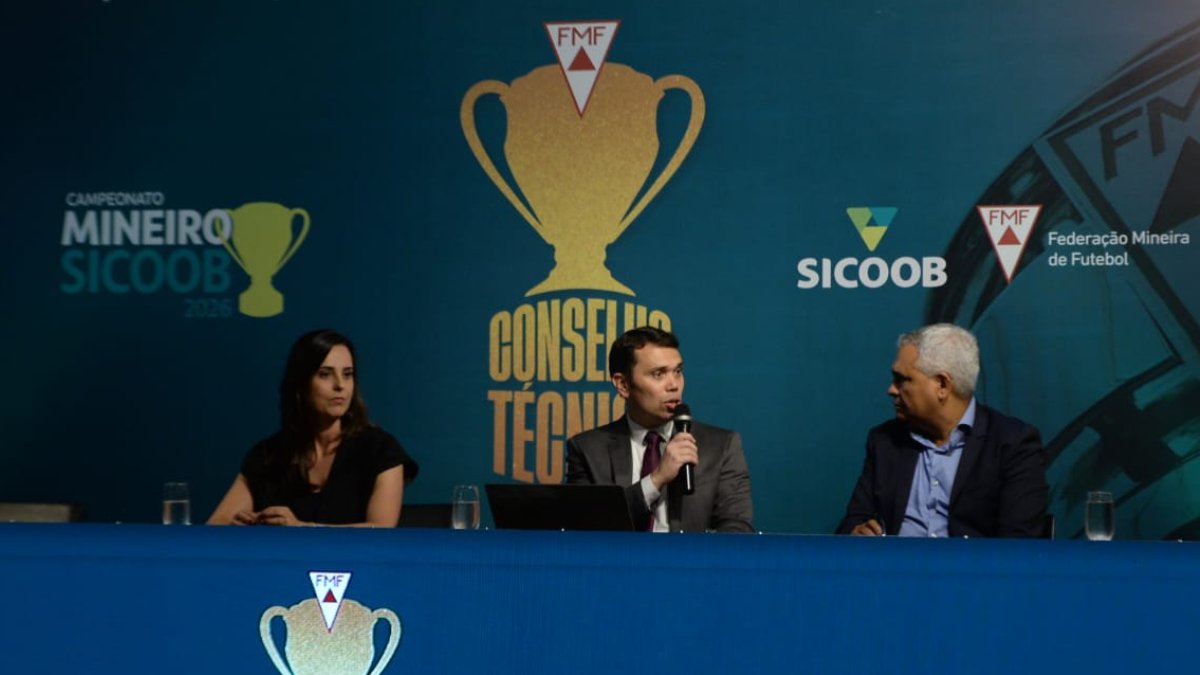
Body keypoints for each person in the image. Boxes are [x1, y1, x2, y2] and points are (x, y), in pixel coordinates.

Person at [837, 324, 1048, 538]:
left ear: (942, 385)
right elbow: (853, 521)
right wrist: (858, 533)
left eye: (903, 380)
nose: (891, 390)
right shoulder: (884, 441)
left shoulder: (1013, 444)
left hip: (971, 570)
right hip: (892, 569)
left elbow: (1019, 544)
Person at [208, 329, 418, 527]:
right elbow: (217, 524)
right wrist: (243, 526)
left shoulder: (380, 449)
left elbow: (380, 529)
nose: (340, 385)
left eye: (347, 374)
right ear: (301, 384)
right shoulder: (269, 455)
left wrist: (304, 529)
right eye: (325, 374)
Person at [565, 327, 754, 532]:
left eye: (678, 372)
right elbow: (584, 528)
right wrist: (656, 480)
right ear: (623, 384)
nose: (674, 385)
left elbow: (738, 529)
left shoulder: (721, 446)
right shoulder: (588, 450)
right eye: (658, 374)